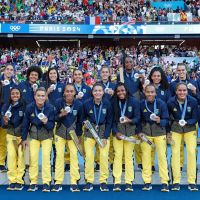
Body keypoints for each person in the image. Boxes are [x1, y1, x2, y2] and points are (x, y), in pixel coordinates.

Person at [21, 87, 55, 192]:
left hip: (47, 136)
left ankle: (46, 182)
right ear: (35, 97)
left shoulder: (50, 108)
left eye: (42, 96)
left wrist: (46, 122)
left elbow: (51, 126)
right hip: (33, 136)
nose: (40, 97)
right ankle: (33, 182)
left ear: (46, 97)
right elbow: (25, 124)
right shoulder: (29, 107)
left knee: (46, 158)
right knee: (33, 158)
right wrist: (24, 138)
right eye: (38, 95)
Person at [52, 83, 83, 192]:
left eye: (71, 91)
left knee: (74, 156)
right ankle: (58, 182)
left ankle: (74, 181)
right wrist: (61, 115)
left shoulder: (79, 104)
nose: (69, 93)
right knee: (59, 156)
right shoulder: (58, 102)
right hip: (60, 133)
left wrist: (78, 135)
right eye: (67, 91)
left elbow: (80, 122)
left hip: (73, 134)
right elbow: (54, 118)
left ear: (75, 93)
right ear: (64, 92)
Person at [167, 82, 198, 191]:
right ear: (176, 91)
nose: (182, 92)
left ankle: (192, 181)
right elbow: (168, 117)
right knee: (175, 154)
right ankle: (176, 181)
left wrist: (187, 122)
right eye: (179, 90)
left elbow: (195, 118)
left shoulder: (193, 101)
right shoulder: (170, 102)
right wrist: (168, 131)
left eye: (184, 90)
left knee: (191, 152)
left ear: (187, 91)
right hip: (176, 129)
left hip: (190, 129)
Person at [139, 84, 170, 192]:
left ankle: (165, 182)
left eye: (152, 92)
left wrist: (159, 121)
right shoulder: (141, 104)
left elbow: (167, 120)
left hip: (160, 134)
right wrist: (139, 132)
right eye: (148, 92)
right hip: (146, 134)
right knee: (146, 158)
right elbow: (139, 120)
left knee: (162, 158)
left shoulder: (161, 104)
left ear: (155, 93)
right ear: (145, 93)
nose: (150, 94)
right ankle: (147, 182)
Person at [83, 83, 113, 192]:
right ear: (92, 92)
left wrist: (105, 136)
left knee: (104, 157)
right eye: (95, 90)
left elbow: (109, 121)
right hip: (89, 132)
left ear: (103, 92)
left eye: (100, 90)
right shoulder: (86, 104)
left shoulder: (107, 104)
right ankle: (89, 181)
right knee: (89, 157)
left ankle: (103, 181)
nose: (97, 93)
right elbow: (82, 118)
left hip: (103, 133)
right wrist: (84, 123)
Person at [112, 82, 140, 192]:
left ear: (126, 90)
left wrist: (130, 120)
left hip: (130, 134)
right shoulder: (113, 102)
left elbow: (138, 118)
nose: (120, 93)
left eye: (122, 90)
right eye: (118, 91)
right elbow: (112, 120)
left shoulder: (134, 101)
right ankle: (117, 182)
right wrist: (115, 132)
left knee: (129, 157)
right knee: (118, 157)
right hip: (118, 134)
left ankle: (129, 182)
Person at [1, 87, 25, 191]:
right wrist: (5, 122)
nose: (15, 95)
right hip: (10, 135)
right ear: (10, 95)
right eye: (13, 94)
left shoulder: (25, 105)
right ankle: (12, 180)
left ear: (20, 94)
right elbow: (3, 123)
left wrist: (24, 137)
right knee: (11, 157)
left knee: (21, 158)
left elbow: (26, 122)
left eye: (17, 93)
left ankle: (19, 180)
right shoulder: (6, 106)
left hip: (21, 136)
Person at [43, 67, 65, 172]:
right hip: (48, 116)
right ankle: (48, 164)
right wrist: (47, 92)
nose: (52, 75)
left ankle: (57, 164)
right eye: (50, 73)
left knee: (58, 142)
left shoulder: (62, 85)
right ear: (48, 75)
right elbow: (41, 99)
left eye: (54, 73)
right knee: (48, 142)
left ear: (57, 75)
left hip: (59, 117)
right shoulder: (44, 86)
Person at [95, 66, 116, 171]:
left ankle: (112, 161)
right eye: (102, 72)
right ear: (100, 73)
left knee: (111, 141)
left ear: (109, 73)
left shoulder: (114, 85)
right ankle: (98, 162)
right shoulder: (97, 85)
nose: (104, 74)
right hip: (100, 116)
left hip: (112, 114)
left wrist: (114, 94)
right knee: (99, 139)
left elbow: (120, 97)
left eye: (106, 72)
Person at [0, 64, 16, 172]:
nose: (9, 71)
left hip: (5, 116)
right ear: (4, 71)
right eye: (8, 69)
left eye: (11, 70)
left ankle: (1, 162)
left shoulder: (14, 85)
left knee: (3, 141)